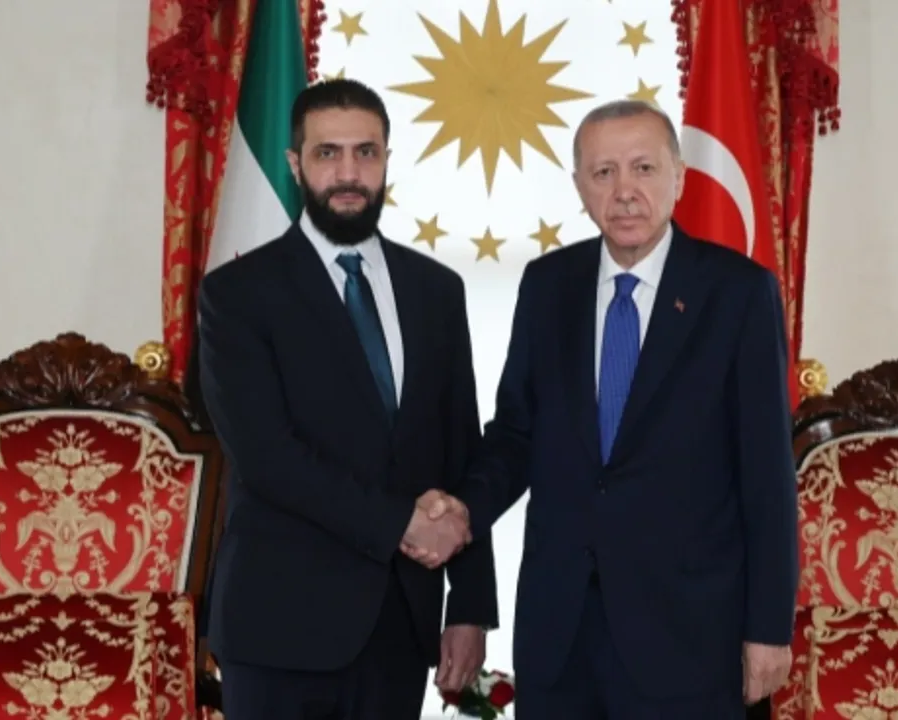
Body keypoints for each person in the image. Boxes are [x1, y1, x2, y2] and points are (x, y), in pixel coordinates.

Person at [405, 99, 799, 718]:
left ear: (679, 177)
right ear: (579, 187)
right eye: (604, 172)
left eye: (643, 168)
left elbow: (768, 475)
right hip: (561, 634)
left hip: (688, 633)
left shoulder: (738, 294)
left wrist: (770, 627)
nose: (624, 192)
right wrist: (463, 512)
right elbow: (515, 436)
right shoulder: (547, 285)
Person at [197, 78, 495, 720]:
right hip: (277, 628)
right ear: (294, 163)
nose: (348, 173)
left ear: (387, 159)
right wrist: (404, 524)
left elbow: (460, 450)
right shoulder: (237, 294)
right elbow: (268, 458)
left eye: (366, 152)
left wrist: (470, 607)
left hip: (399, 629)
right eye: (327, 153)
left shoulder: (437, 291)